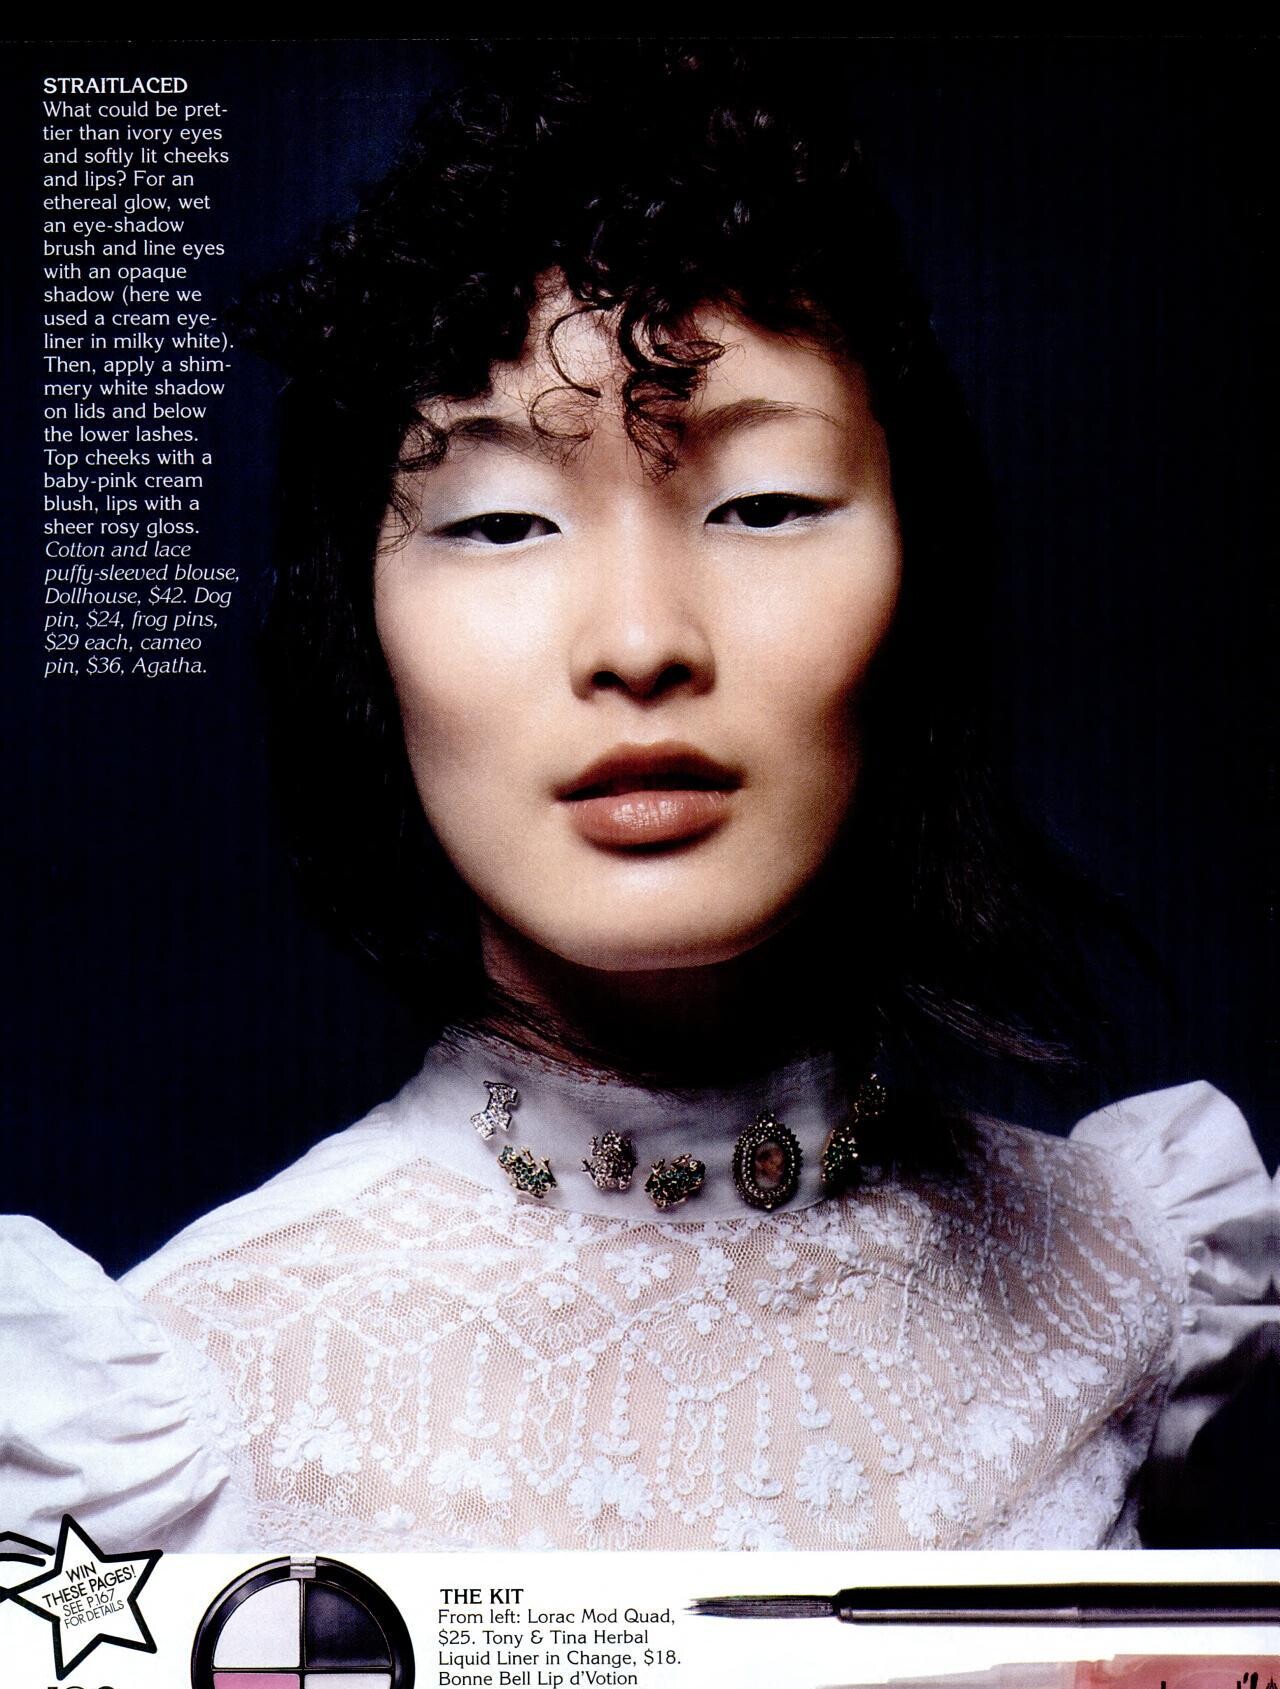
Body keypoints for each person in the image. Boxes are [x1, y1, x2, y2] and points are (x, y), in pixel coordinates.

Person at [2, 46, 1271, 1555]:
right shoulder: (169, 1420)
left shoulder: (1138, 1281)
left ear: (917, 581)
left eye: (764, 505)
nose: (640, 640)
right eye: (499, 523)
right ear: (363, 632)